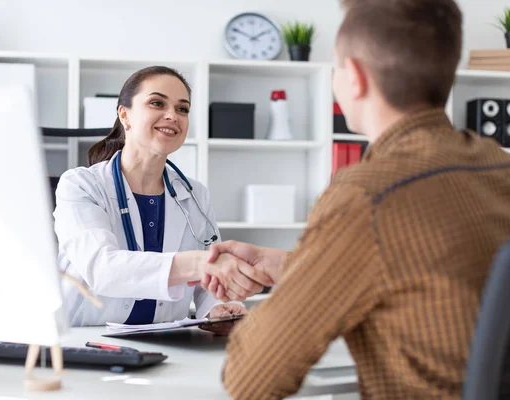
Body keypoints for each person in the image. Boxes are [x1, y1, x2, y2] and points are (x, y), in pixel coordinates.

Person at [200, 0, 510, 398]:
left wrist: (296, 286)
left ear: (357, 78)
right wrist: (294, 266)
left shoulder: (367, 195)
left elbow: (252, 378)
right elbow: (437, 277)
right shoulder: (496, 165)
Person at [53, 66, 271, 332]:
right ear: (125, 115)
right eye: (157, 103)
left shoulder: (195, 194)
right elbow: (102, 269)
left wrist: (215, 309)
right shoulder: (81, 185)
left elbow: (207, 287)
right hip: (85, 338)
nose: (172, 116)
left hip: (166, 341)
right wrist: (201, 264)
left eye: (182, 109)